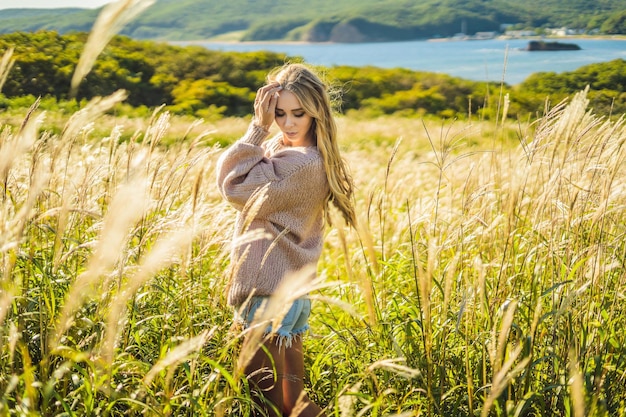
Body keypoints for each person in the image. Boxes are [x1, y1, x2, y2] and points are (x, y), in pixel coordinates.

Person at [216, 63, 356, 417]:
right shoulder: (307, 156)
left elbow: (233, 186)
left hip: (267, 297)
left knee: (270, 407)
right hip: (290, 298)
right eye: (279, 113)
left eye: (299, 113)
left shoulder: (296, 163)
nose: (289, 123)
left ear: (316, 113)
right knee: (296, 406)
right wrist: (268, 135)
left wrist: (256, 129)